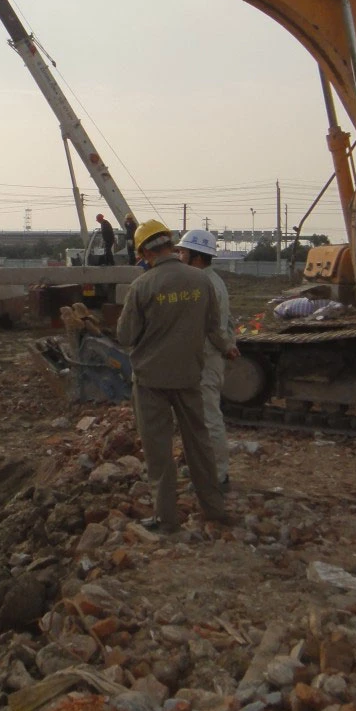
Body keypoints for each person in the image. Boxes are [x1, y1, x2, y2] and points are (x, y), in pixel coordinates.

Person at [116, 219, 239, 533]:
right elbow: (214, 328)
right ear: (171, 245)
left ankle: (166, 518)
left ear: (144, 251)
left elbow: (126, 336)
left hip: (151, 382)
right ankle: (213, 507)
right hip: (189, 377)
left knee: (159, 452)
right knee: (198, 444)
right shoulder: (202, 282)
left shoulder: (142, 286)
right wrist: (227, 347)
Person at [176, 229, 233, 488]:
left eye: (183, 252)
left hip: (207, 360)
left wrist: (226, 346)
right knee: (195, 419)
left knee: (209, 419)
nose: (179, 256)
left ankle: (217, 476)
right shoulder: (208, 281)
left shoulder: (205, 285)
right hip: (198, 360)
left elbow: (214, 328)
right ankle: (200, 467)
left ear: (197, 257)